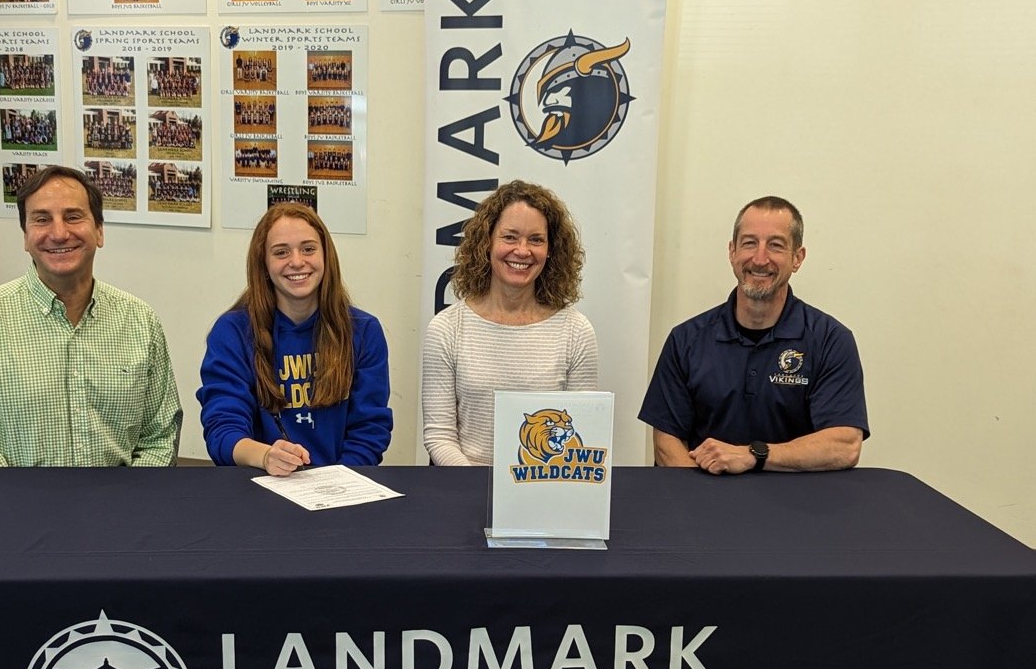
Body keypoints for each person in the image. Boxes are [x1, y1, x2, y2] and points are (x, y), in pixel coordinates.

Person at [0, 165, 182, 466]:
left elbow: (160, 438)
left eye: (73, 217)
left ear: (100, 231)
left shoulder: (140, 322)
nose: (59, 233)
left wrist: (126, 505)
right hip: (18, 507)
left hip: (119, 508)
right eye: (41, 220)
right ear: (25, 237)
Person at [638, 195, 868, 474]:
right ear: (732, 252)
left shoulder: (831, 340)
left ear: (797, 258)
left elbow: (844, 446)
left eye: (775, 245)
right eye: (749, 243)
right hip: (705, 505)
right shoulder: (686, 340)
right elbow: (666, 442)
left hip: (798, 509)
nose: (760, 259)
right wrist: (702, 502)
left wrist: (754, 455)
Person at [198, 202, 392, 475]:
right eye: (281, 252)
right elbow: (222, 429)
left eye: (308, 248)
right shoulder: (233, 332)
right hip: (260, 483)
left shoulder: (364, 330)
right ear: (263, 264)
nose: (297, 261)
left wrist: (335, 486)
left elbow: (369, 431)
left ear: (327, 256)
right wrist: (266, 456)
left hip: (342, 485)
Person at [421, 180, 599, 465]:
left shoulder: (576, 332)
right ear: (487, 242)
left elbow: (579, 432)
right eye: (510, 237)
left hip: (544, 487)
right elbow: (439, 436)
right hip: (465, 486)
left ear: (551, 250)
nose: (522, 250)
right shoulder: (446, 329)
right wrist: (481, 488)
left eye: (536, 239)